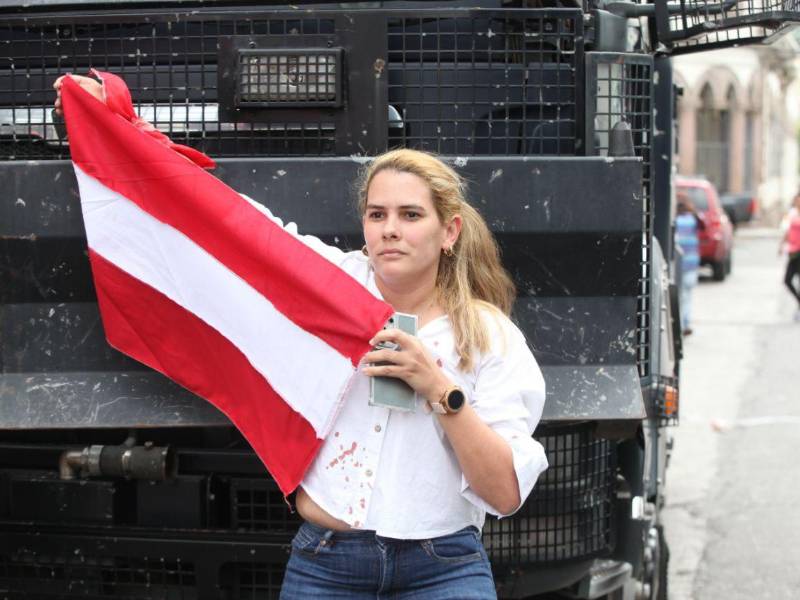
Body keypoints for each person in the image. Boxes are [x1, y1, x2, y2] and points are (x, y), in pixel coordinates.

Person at [54, 74, 548, 599]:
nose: (390, 230)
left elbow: (505, 492)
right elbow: (231, 227)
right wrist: (126, 130)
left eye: (410, 215)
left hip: (442, 566)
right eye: (377, 214)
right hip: (328, 564)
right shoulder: (328, 288)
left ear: (448, 232)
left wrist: (440, 391)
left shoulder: (490, 335)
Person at [675, 193, 703, 336]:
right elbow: (703, 225)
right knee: (687, 295)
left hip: (679, 264)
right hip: (691, 263)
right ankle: (685, 323)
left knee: (680, 296)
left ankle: (680, 324)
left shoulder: (676, 221)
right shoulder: (693, 219)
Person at [779, 192, 800, 321]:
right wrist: (781, 246)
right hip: (793, 252)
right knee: (787, 280)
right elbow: (786, 230)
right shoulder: (791, 214)